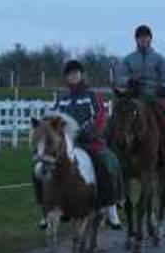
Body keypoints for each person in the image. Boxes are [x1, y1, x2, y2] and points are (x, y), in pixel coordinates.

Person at [33, 59, 124, 230]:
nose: (73, 77)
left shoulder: (92, 97)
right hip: (64, 145)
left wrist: (86, 133)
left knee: (109, 160)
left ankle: (111, 207)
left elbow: (100, 117)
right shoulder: (62, 100)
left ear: (82, 75)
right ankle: (44, 209)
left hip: (88, 142)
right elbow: (52, 121)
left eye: (76, 73)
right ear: (66, 78)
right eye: (70, 74)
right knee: (38, 166)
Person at [113, 24, 165, 170]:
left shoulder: (159, 59)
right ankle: (110, 146)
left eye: (146, 38)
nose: (143, 41)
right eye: (140, 38)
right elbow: (119, 76)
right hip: (134, 95)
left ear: (150, 39)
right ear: (136, 40)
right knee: (118, 114)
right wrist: (128, 81)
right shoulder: (128, 59)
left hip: (154, 95)